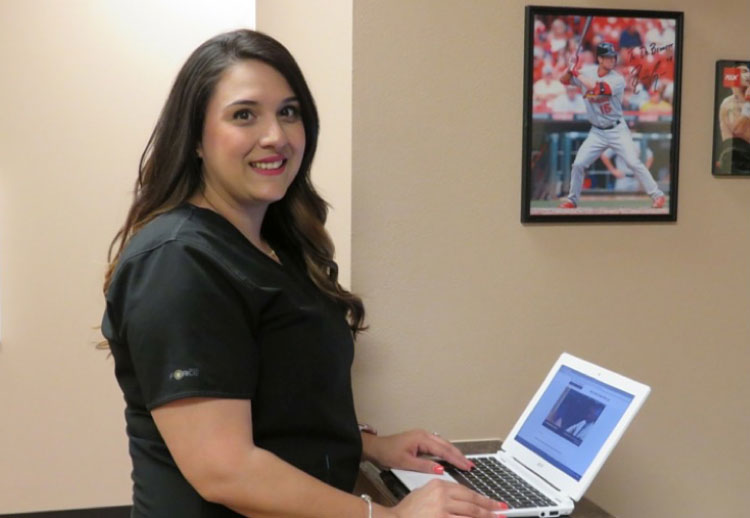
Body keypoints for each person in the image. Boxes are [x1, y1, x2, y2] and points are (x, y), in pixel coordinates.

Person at [100, 29, 506, 518]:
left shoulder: (275, 244)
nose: (275, 136)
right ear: (196, 140)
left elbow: (278, 403)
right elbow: (224, 470)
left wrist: (366, 447)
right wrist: (389, 517)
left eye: (288, 112)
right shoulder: (178, 261)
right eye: (244, 115)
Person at [557, 42, 666, 209]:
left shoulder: (617, 79)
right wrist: (569, 69)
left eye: (613, 57)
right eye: (607, 57)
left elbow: (598, 88)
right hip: (597, 132)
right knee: (578, 164)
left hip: (617, 129)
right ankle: (573, 199)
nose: (611, 60)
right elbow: (563, 81)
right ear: (599, 58)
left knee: (633, 162)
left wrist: (576, 72)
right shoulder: (586, 72)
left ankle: (657, 195)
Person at [717, 64, 750, 173]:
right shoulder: (729, 103)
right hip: (736, 157)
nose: (748, 74)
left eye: (747, 71)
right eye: (743, 71)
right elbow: (739, 130)